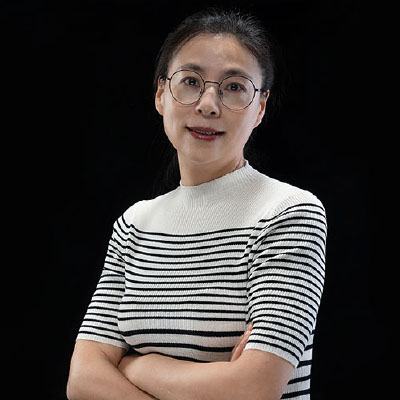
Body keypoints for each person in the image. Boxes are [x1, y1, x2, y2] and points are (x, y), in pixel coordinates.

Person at [67, 8, 327, 400]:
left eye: (234, 87)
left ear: (260, 107)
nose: (208, 104)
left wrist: (139, 365)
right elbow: (82, 380)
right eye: (190, 81)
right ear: (161, 94)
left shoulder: (289, 212)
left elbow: (253, 388)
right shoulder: (135, 224)